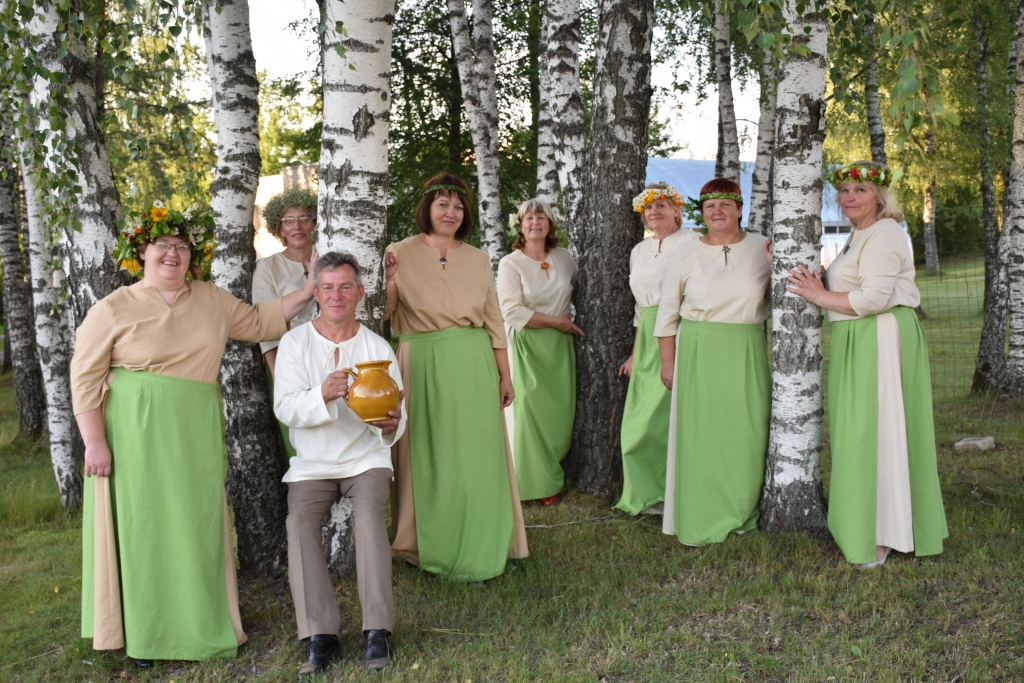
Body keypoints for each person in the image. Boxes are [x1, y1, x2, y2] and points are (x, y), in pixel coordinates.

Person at [72, 202, 318, 666]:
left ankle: (198, 619)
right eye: (163, 245)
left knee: (196, 521)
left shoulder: (210, 298)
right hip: (133, 433)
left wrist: (308, 290)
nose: (173, 254)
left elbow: (260, 321)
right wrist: (95, 442)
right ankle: (147, 630)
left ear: (193, 256)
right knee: (145, 526)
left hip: (195, 428)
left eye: (182, 247)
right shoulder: (114, 307)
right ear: (140, 252)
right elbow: (83, 376)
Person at [785, 161, 948, 568]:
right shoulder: (860, 234)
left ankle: (883, 534)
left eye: (859, 190)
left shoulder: (886, 233)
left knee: (877, 432)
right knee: (857, 431)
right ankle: (862, 523)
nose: (849, 198)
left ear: (880, 196)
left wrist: (819, 297)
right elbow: (854, 282)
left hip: (880, 336)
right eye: (844, 190)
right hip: (857, 338)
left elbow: (873, 298)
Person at [384, 173, 529, 581]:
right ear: (427, 208)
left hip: (473, 360)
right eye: (443, 204)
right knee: (429, 453)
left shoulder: (480, 258)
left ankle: (487, 535)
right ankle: (426, 540)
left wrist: (505, 375)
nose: (451, 212)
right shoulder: (398, 251)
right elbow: (383, 312)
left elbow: (494, 320)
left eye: (458, 206)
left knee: (476, 452)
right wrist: (390, 278)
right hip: (420, 359)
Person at [274, 252, 405, 678]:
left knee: (368, 517)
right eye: (327, 287)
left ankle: (376, 630)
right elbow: (285, 407)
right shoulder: (295, 343)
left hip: (364, 458)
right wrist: (321, 395)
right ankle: (321, 634)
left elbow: (396, 417)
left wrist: (391, 426)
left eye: (345, 287)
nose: (336, 295)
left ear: (360, 293)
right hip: (312, 464)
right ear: (315, 292)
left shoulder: (377, 347)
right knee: (298, 524)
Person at [654, 179, 771, 545]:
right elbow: (666, 315)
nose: (717, 212)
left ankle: (740, 508)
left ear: (739, 209)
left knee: (746, 431)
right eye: (709, 206)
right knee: (701, 435)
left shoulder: (762, 247)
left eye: (725, 204)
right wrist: (668, 364)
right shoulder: (686, 253)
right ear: (700, 213)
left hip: (746, 347)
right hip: (698, 349)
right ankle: (701, 510)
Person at [616, 183, 699, 515]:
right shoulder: (639, 251)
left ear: (677, 210)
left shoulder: (693, 241)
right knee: (640, 421)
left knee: (673, 417)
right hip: (648, 333)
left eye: (662, 206)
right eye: (649, 209)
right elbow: (640, 308)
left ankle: (676, 493)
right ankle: (645, 492)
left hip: (681, 330)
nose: (655, 213)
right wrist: (636, 353)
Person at [497, 199, 581, 505]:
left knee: (558, 414)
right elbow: (511, 311)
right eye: (529, 217)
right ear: (520, 224)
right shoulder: (511, 263)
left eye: (541, 217)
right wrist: (556, 321)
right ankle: (531, 485)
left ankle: (552, 474)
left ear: (550, 224)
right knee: (528, 412)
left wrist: (564, 324)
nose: (535, 222)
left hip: (559, 346)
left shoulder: (564, 257)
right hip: (526, 343)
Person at [252, 188, 319, 460]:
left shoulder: (331, 258)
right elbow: (266, 326)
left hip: (333, 357)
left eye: (304, 217)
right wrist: (280, 376)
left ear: (315, 222)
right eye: (289, 220)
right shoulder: (267, 267)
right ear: (278, 227)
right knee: (302, 442)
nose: (297, 226)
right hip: (290, 362)